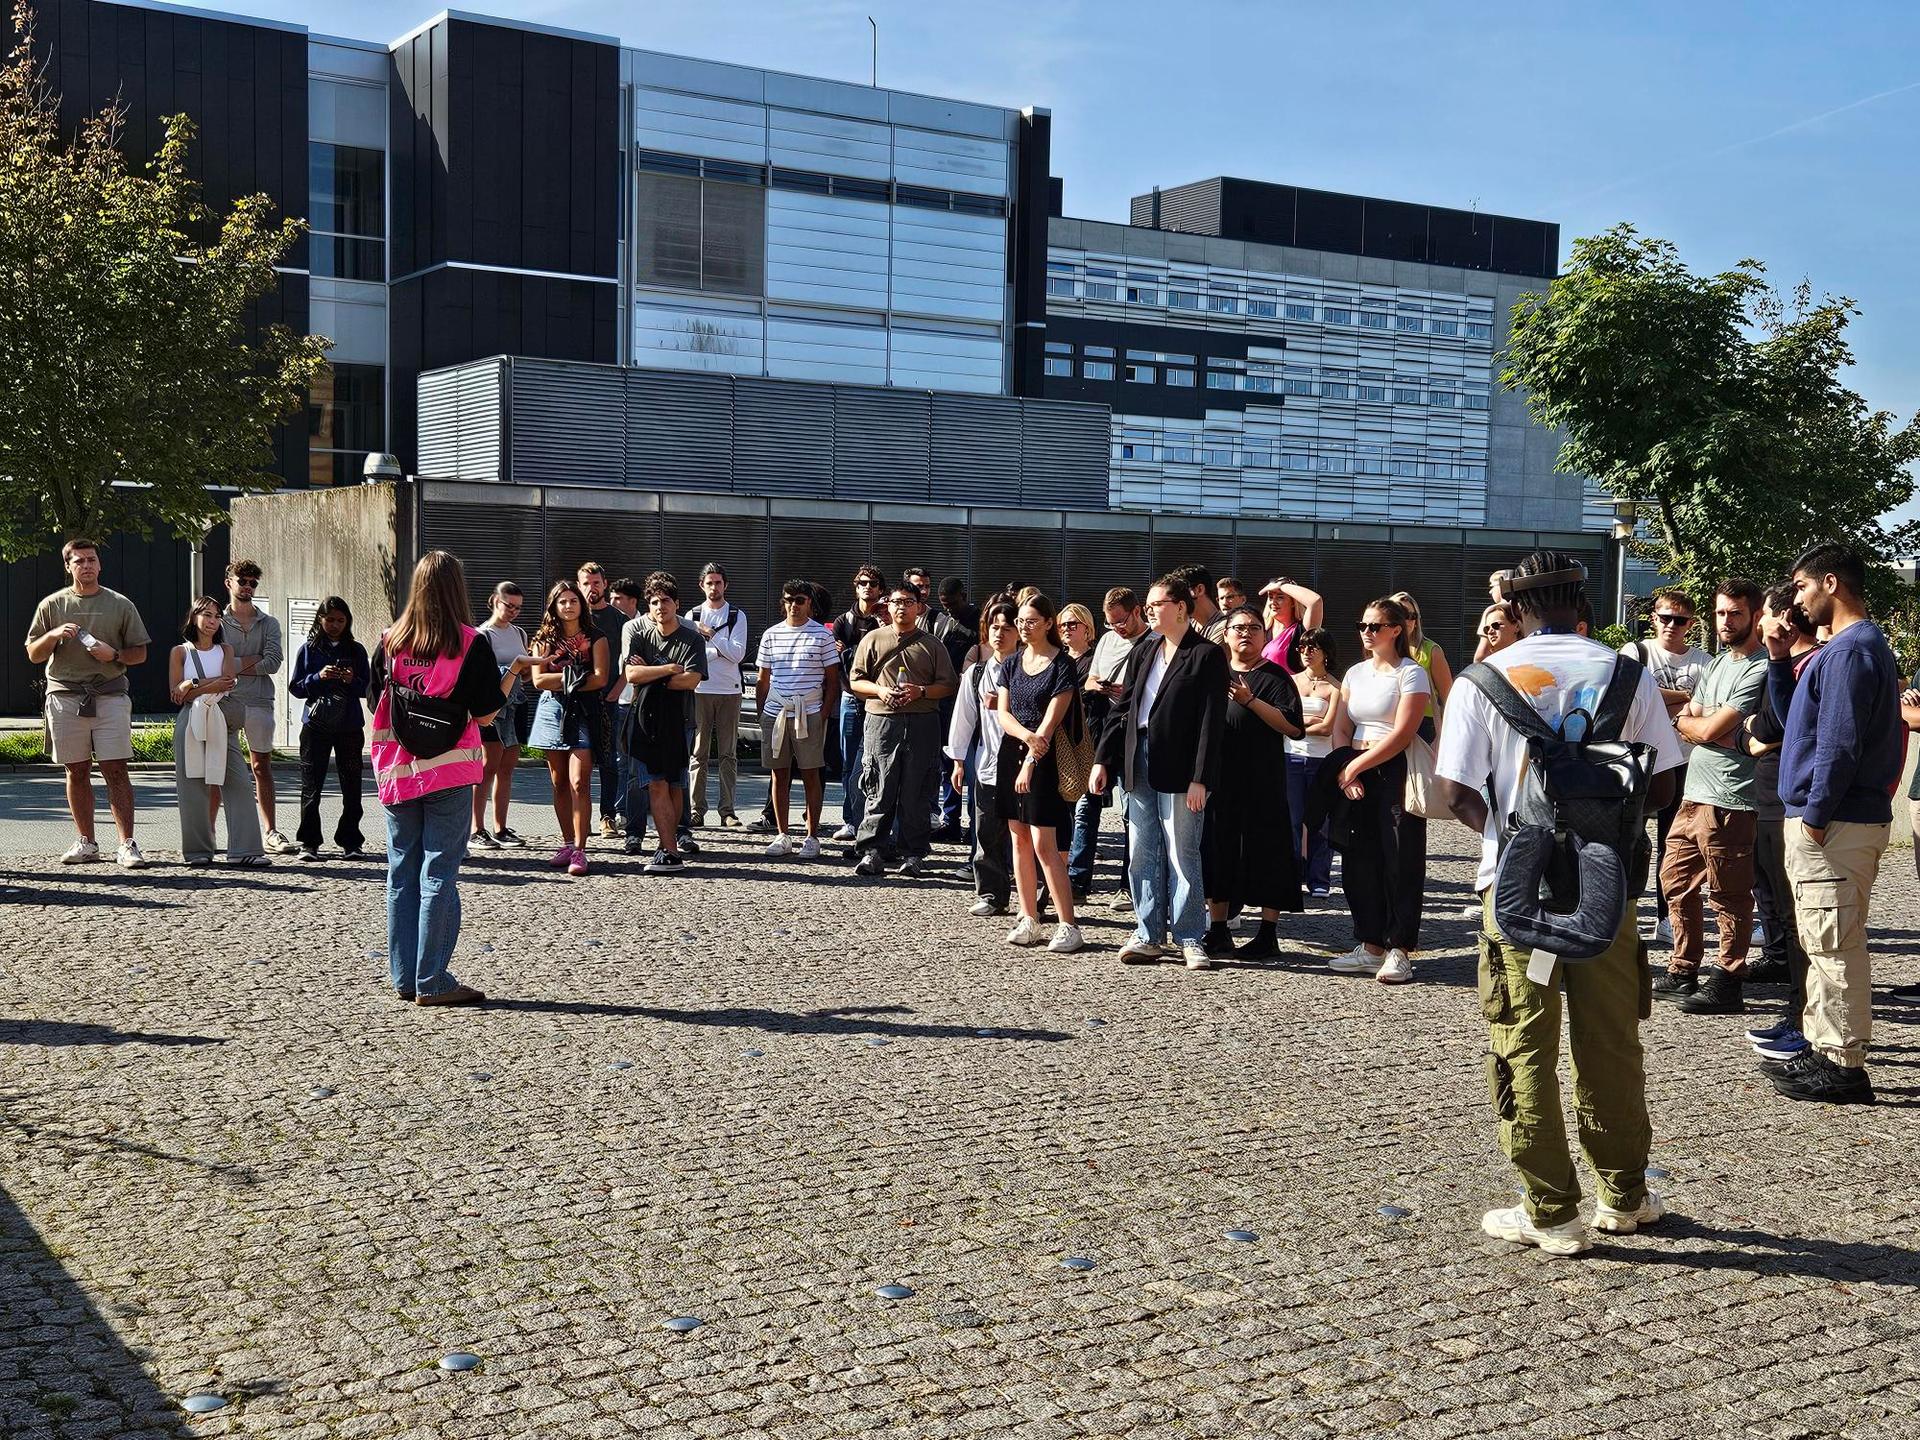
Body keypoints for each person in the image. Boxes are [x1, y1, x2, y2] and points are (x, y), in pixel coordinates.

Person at [1433, 549, 1685, 1256]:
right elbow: (1664, 787)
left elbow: (1455, 793)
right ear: (1584, 600)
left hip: (1519, 899)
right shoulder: (1625, 673)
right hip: (1607, 891)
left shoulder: (1483, 680)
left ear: (1514, 610)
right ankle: (1626, 1196)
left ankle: (1549, 1210)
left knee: (1523, 1046)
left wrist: (1522, 845)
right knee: (1611, 1043)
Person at [1767, 544, 1902, 1105]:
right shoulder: (1846, 650)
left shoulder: (1851, 652)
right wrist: (1777, 659)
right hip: (1832, 821)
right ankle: (1825, 1050)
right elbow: (1791, 720)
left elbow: (1839, 744)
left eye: (1800, 587)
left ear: (1830, 582)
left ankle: (1844, 1066)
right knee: (1823, 941)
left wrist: (1817, 815)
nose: (1796, 600)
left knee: (1834, 944)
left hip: (1835, 824)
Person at [370, 550, 514, 1006]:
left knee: (400, 874)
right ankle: (432, 979)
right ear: (458, 589)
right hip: (448, 769)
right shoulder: (471, 643)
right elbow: (488, 712)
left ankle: (404, 977)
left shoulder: (390, 642)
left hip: (397, 769)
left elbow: (376, 701)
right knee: (438, 874)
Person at [1090, 574, 1227, 970]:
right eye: (1148, 604)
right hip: (1139, 758)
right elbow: (1124, 709)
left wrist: (1201, 777)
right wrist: (1103, 759)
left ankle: (1189, 936)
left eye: (1157, 603)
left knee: (1183, 850)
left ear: (1181, 608)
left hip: (1183, 767)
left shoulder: (1206, 655)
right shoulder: (1144, 651)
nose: (1149, 610)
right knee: (1140, 849)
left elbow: (1210, 722)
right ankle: (1148, 933)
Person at [1653, 579, 1769, 1012]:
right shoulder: (1719, 664)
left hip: (1732, 800)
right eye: (1720, 613)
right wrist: (1703, 728)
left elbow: (1705, 727)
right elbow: (1694, 719)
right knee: (1675, 882)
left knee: (1729, 893)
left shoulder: (1760, 668)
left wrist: (1702, 729)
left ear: (1755, 615)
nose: (1726, 621)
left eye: (1735, 613)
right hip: (1693, 793)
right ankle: (1684, 967)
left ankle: (1728, 978)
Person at [24, 538, 151, 867]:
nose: (87, 566)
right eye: (79, 561)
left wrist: (116, 655)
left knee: (116, 769)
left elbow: (140, 653)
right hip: (65, 697)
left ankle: (127, 844)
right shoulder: (52, 605)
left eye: (91, 559)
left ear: (100, 564)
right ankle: (87, 842)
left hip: (110, 695)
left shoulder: (120, 604)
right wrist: (52, 636)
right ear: (68, 567)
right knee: (76, 771)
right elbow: (33, 653)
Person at [1327, 597, 1430, 984]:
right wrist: (1346, 768)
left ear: (1396, 630)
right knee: (1359, 859)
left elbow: (1404, 732)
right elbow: (1342, 726)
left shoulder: (1410, 673)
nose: (1367, 633)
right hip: (1354, 770)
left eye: (1375, 626)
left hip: (1394, 771)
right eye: (1362, 626)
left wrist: (1356, 765)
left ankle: (1399, 947)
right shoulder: (1354, 673)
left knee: (1400, 858)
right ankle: (1370, 944)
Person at [1740, 583, 1819, 1059]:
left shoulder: (1807, 666)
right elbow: (1754, 728)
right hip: (1767, 798)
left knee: (1797, 922)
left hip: (1786, 806)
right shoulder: (1785, 667)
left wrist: (1755, 729)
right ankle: (1796, 1013)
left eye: (1766, 615)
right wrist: (1755, 729)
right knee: (1778, 911)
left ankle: (1802, 1020)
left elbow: (1771, 727)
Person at [1203, 606, 1304, 957]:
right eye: (1239, 628)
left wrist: (1251, 701)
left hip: (1263, 779)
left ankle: (1267, 933)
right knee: (1218, 849)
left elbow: (1292, 726)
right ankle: (1218, 928)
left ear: (1264, 636)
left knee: (1268, 851)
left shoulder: (1276, 677)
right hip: (1219, 778)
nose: (1246, 633)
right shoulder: (1211, 673)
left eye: (1254, 628)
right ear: (1226, 634)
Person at [993, 594, 1082, 952]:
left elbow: (1052, 720)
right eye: (1022, 621)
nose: (1025, 627)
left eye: (1032, 621)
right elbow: (1003, 712)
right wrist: (1024, 738)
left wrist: (1032, 756)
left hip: (1044, 758)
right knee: (1018, 840)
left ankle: (1068, 924)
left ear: (1048, 622)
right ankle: (1028, 916)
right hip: (1012, 748)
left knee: (1046, 844)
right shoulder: (1011, 663)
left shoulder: (1062, 664)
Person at [849, 586, 957, 879]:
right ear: (889, 605)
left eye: (908, 602)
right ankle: (872, 850)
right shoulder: (873, 639)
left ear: (918, 607)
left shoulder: (933, 645)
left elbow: (948, 686)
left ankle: (913, 853)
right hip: (881, 721)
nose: (901, 608)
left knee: (918, 789)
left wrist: (920, 691)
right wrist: (880, 691)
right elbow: (856, 681)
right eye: (896, 602)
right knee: (877, 785)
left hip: (923, 722)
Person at [1624, 588, 1711, 941]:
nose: (1671, 626)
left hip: (1684, 759)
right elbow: (1630, 689)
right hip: (1639, 757)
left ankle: (1667, 914)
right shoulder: (1637, 652)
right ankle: (1625, 906)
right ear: (1653, 619)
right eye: (1665, 618)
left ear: (1690, 624)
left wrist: (1662, 698)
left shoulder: (1703, 661)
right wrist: (1687, 699)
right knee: (1629, 836)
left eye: (1680, 620)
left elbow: (1709, 708)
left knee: (1674, 844)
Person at [170, 596, 263, 867]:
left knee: (239, 782)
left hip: (221, 718)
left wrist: (193, 683)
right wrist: (191, 687)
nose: (212, 621)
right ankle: (197, 850)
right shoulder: (180, 652)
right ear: (194, 617)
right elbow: (177, 696)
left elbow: (226, 683)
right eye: (206, 615)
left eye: (216, 616)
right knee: (192, 785)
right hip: (190, 720)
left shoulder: (226, 650)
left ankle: (244, 849)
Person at [620, 574, 704, 873]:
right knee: (655, 783)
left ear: (676, 604)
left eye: (665, 601)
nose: (659, 607)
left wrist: (651, 674)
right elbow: (631, 676)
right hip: (645, 720)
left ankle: (666, 843)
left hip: (680, 719)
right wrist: (668, 669)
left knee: (675, 785)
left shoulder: (691, 637)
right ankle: (669, 850)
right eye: (654, 602)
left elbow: (692, 679)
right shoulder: (640, 635)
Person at [527, 579, 609, 876]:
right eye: (562, 601)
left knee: (579, 782)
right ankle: (566, 842)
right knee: (559, 781)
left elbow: (601, 678)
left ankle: (581, 849)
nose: (568, 606)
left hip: (584, 712)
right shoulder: (544, 638)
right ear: (554, 605)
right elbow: (538, 681)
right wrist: (576, 678)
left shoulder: (596, 637)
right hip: (552, 711)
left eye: (573, 601)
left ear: (581, 604)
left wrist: (562, 678)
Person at [755, 580, 840, 858]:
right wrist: (761, 713)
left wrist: (824, 713)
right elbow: (762, 679)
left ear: (809, 603)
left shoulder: (822, 635)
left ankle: (812, 835)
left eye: (800, 599)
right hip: (776, 711)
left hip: (809, 711)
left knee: (810, 773)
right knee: (779, 774)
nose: (794, 604)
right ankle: (782, 834)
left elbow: (832, 680)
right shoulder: (771, 634)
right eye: (789, 599)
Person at [948, 597, 1018, 916]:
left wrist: (1007, 705)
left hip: (1023, 763)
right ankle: (992, 892)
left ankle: (1038, 898)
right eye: (994, 627)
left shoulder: (1029, 670)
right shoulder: (977, 673)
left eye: (1007, 627)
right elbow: (963, 718)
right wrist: (959, 761)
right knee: (986, 831)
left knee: (1027, 835)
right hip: (987, 761)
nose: (999, 633)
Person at [287, 596, 370, 860]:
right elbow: (296, 688)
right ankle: (309, 842)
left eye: (340, 620)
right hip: (316, 724)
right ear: (320, 619)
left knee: (352, 785)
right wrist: (318, 677)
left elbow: (368, 688)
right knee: (311, 785)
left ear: (348, 622)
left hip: (349, 724)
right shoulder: (309, 649)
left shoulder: (356, 651)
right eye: (330, 619)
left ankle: (351, 841)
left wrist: (350, 679)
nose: (335, 625)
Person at [219, 560, 292, 855]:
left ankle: (270, 831)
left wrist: (234, 664)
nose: (247, 587)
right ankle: (216, 833)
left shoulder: (269, 623)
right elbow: (214, 663)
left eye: (253, 583)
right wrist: (251, 660)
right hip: (224, 699)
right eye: (243, 581)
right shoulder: (217, 621)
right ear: (229, 582)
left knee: (262, 766)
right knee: (219, 767)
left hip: (260, 701)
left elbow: (273, 662)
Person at [471, 583, 533, 849]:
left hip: (516, 703)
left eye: (518, 608)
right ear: (495, 601)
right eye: (509, 606)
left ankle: (501, 827)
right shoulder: (482, 635)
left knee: (508, 766)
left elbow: (526, 674)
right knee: (488, 766)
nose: (513, 612)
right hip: (492, 706)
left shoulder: (519, 632)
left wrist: (527, 668)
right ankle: (477, 828)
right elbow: (479, 675)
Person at [686, 562, 747, 829]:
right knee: (698, 753)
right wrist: (718, 651)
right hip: (700, 689)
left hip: (729, 690)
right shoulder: (692, 614)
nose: (714, 587)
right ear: (702, 585)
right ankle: (696, 810)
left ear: (726, 585)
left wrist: (710, 636)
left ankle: (728, 811)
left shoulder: (736, 615)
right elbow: (691, 657)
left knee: (728, 754)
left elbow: (738, 655)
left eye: (718, 582)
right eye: (709, 583)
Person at [829, 563, 887, 841]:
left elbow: (883, 658)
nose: (868, 587)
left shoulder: (884, 619)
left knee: (879, 764)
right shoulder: (844, 621)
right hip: (851, 697)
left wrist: (851, 650)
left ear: (881, 589)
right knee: (849, 762)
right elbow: (838, 661)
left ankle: (873, 820)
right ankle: (850, 819)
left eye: (873, 583)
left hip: (879, 699)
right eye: (863, 582)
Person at [1286, 627, 1342, 900]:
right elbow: (1283, 720)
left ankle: (1319, 878)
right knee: (1292, 820)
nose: (1306, 652)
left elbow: (1329, 728)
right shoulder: (1291, 681)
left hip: (1322, 759)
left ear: (1326, 653)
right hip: (1291, 757)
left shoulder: (1336, 687)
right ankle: (1293, 875)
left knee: (1321, 821)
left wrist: (1300, 724)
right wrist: (1308, 723)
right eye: (1302, 648)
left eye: (1312, 648)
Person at [1058, 602, 1107, 901]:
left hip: (1090, 743)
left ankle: (1077, 880)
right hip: (1061, 747)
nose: (1066, 629)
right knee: (1063, 813)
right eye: (1062, 624)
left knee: (1085, 813)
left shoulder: (1096, 661)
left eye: (1072, 624)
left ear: (1088, 629)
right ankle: (1059, 874)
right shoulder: (1057, 660)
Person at [578, 561, 627, 838]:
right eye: (586, 583)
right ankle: (579, 818)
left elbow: (634, 659)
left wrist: (618, 688)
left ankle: (607, 816)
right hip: (577, 700)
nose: (591, 588)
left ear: (605, 585)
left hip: (607, 700)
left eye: (596, 583)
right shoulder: (572, 616)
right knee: (579, 763)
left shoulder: (618, 619)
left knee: (608, 761)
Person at [1388, 590, 1453, 740]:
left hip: (1423, 724)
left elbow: (1448, 697)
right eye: (1400, 614)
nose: (1407, 621)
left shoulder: (1431, 651)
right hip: (1387, 721)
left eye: (1412, 616)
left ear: (1417, 622)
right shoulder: (1381, 651)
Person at [1257, 577, 1325, 674]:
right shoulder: (1260, 629)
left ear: (1293, 602)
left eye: (1280, 597)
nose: (1273, 602)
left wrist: (1282, 585)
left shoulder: (1302, 630)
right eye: (1270, 597)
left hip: (1289, 688)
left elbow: (1315, 601)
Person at [1172, 563, 1223, 641]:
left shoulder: (1224, 628)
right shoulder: (1189, 625)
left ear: (1199, 590)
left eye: (1179, 592)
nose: (1175, 599)